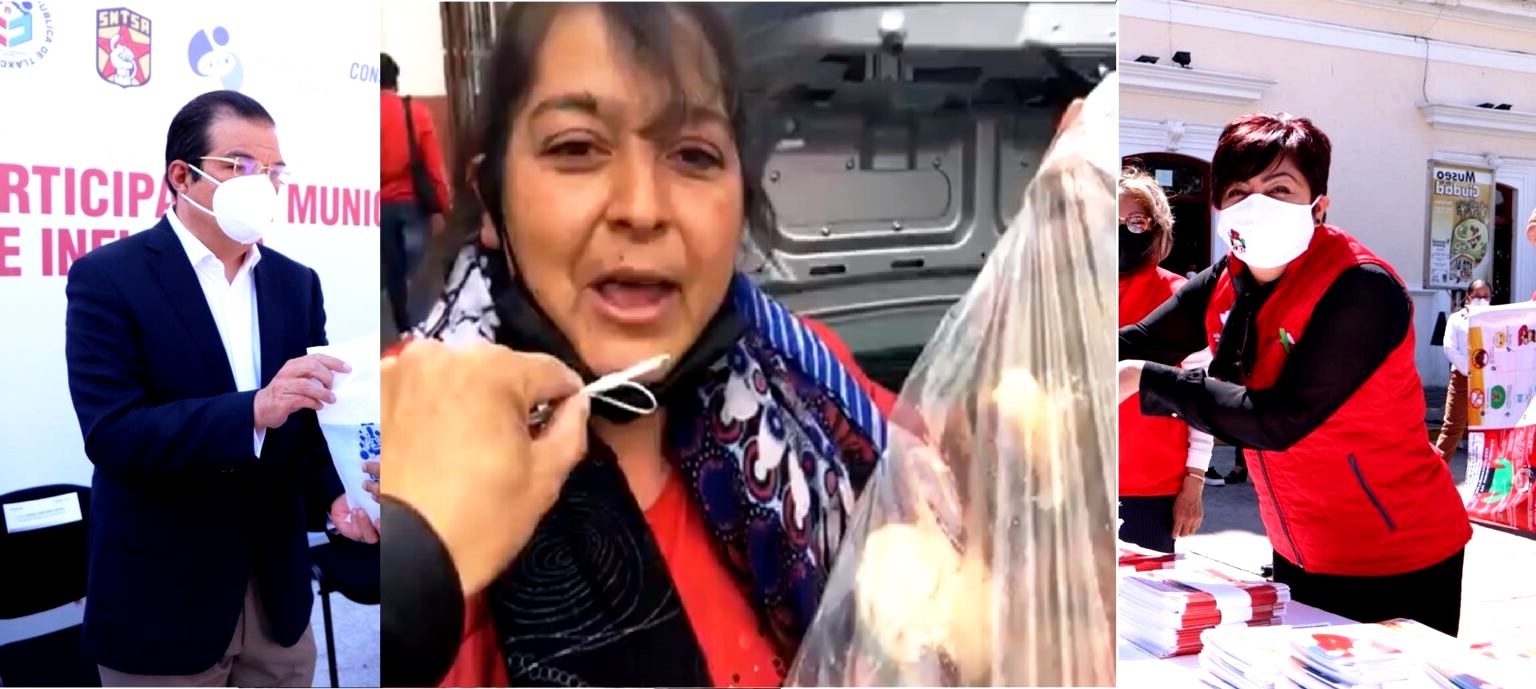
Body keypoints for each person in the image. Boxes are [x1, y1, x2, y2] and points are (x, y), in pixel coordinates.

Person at [380, 5, 896, 687]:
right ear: (490, 199)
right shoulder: (397, 442)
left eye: (694, 155)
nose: (643, 208)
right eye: (576, 148)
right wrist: (411, 565)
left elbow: (979, 489)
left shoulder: (812, 392)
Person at [63, 90, 379, 687]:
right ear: (182, 176)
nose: (264, 184)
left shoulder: (296, 284)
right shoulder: (109, 278)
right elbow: (113, 432)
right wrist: (254, 410)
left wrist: (339, 501)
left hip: (277, 599)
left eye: (275, 170)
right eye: (241, 165)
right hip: (163, 600)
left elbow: (310, 424)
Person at [1117, 113, 1472, 635]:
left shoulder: (1361, 288)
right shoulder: (1227, 279)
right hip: (1297, 544)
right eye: (1239, 192)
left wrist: (1144, 379)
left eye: (1279, 189)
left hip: (1397, 553)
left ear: (1318, 206)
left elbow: (1280, 421)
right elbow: (1137, 340)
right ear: (1220, 209)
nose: (1256, 205)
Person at [1117, 168, 1214, 552]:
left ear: (1157, 227)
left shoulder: (1179, 297)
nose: (1121, 231)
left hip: (1151, 491)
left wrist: (1195, 481)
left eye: (1135, 221)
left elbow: (1201, 395)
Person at [381, 52, 451, 337]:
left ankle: (403, 328)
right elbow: (433, 164)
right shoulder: (416, 112)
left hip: (379, 206)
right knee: (420, 270)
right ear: (395, 81)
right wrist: (445, 206)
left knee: (393, 270)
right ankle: (423, 327)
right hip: (412, 206)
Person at [1435, 279, 1492, 462]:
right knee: (1452, 427)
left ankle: (1490, 471)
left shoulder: (1495, 318)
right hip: (1462, 378)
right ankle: (1436, 471)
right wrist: (1470, 369)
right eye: (1477, 296)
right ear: (1468, 297)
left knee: (1490, 427)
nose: (1481, 300)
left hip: (1489, 379)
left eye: (1486, 296)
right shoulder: (1456, 319)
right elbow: (1449, 347)